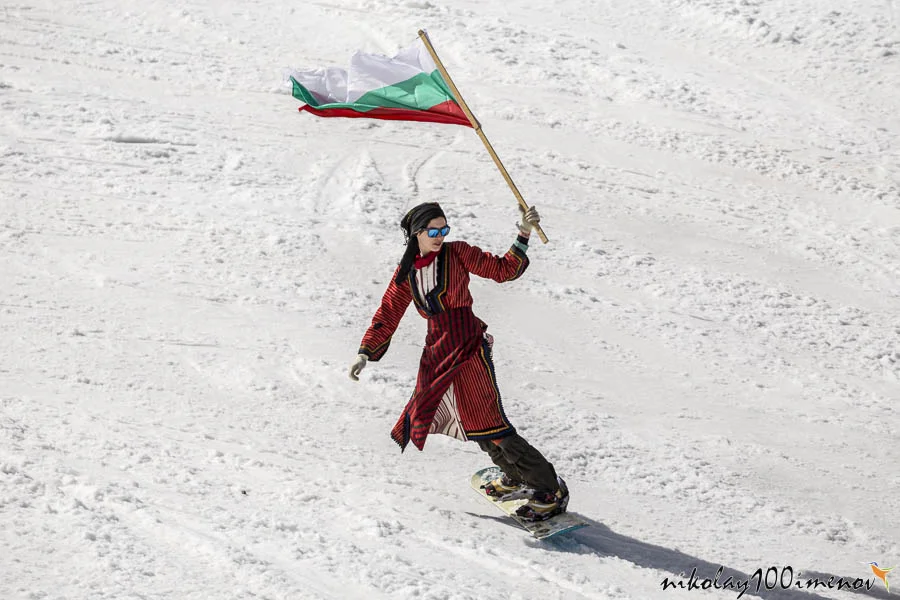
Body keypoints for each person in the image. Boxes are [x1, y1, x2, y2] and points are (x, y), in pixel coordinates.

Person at [348, 201, 568, 521]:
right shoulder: (407, 271)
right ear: (416, 235)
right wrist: (365, 351)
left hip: (467, 345)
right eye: (433, 231)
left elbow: (502, 270)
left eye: (444, 229)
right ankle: (516, 475)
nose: (440, 236)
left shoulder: (458, 253)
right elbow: (388, 312)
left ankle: (548, 488)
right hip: (437, 351)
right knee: (472, 421)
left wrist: (523, 232)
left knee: (491, 422)